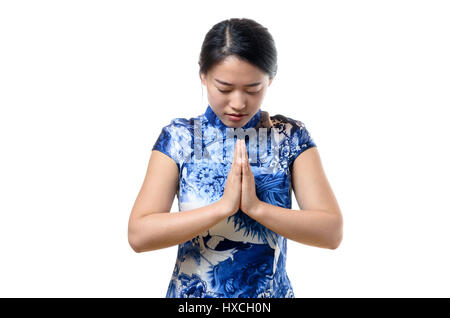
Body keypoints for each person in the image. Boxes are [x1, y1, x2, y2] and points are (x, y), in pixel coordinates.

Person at [128, 18, 343, 298]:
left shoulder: (290, 137)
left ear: (270, 79)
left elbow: (331, 232)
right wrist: (223, 207)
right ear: (203, 77)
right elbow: (139, 235)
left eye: (253, 89)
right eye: (224, 88)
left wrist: (255, 207)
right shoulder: (181, 138)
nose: (238, 103)